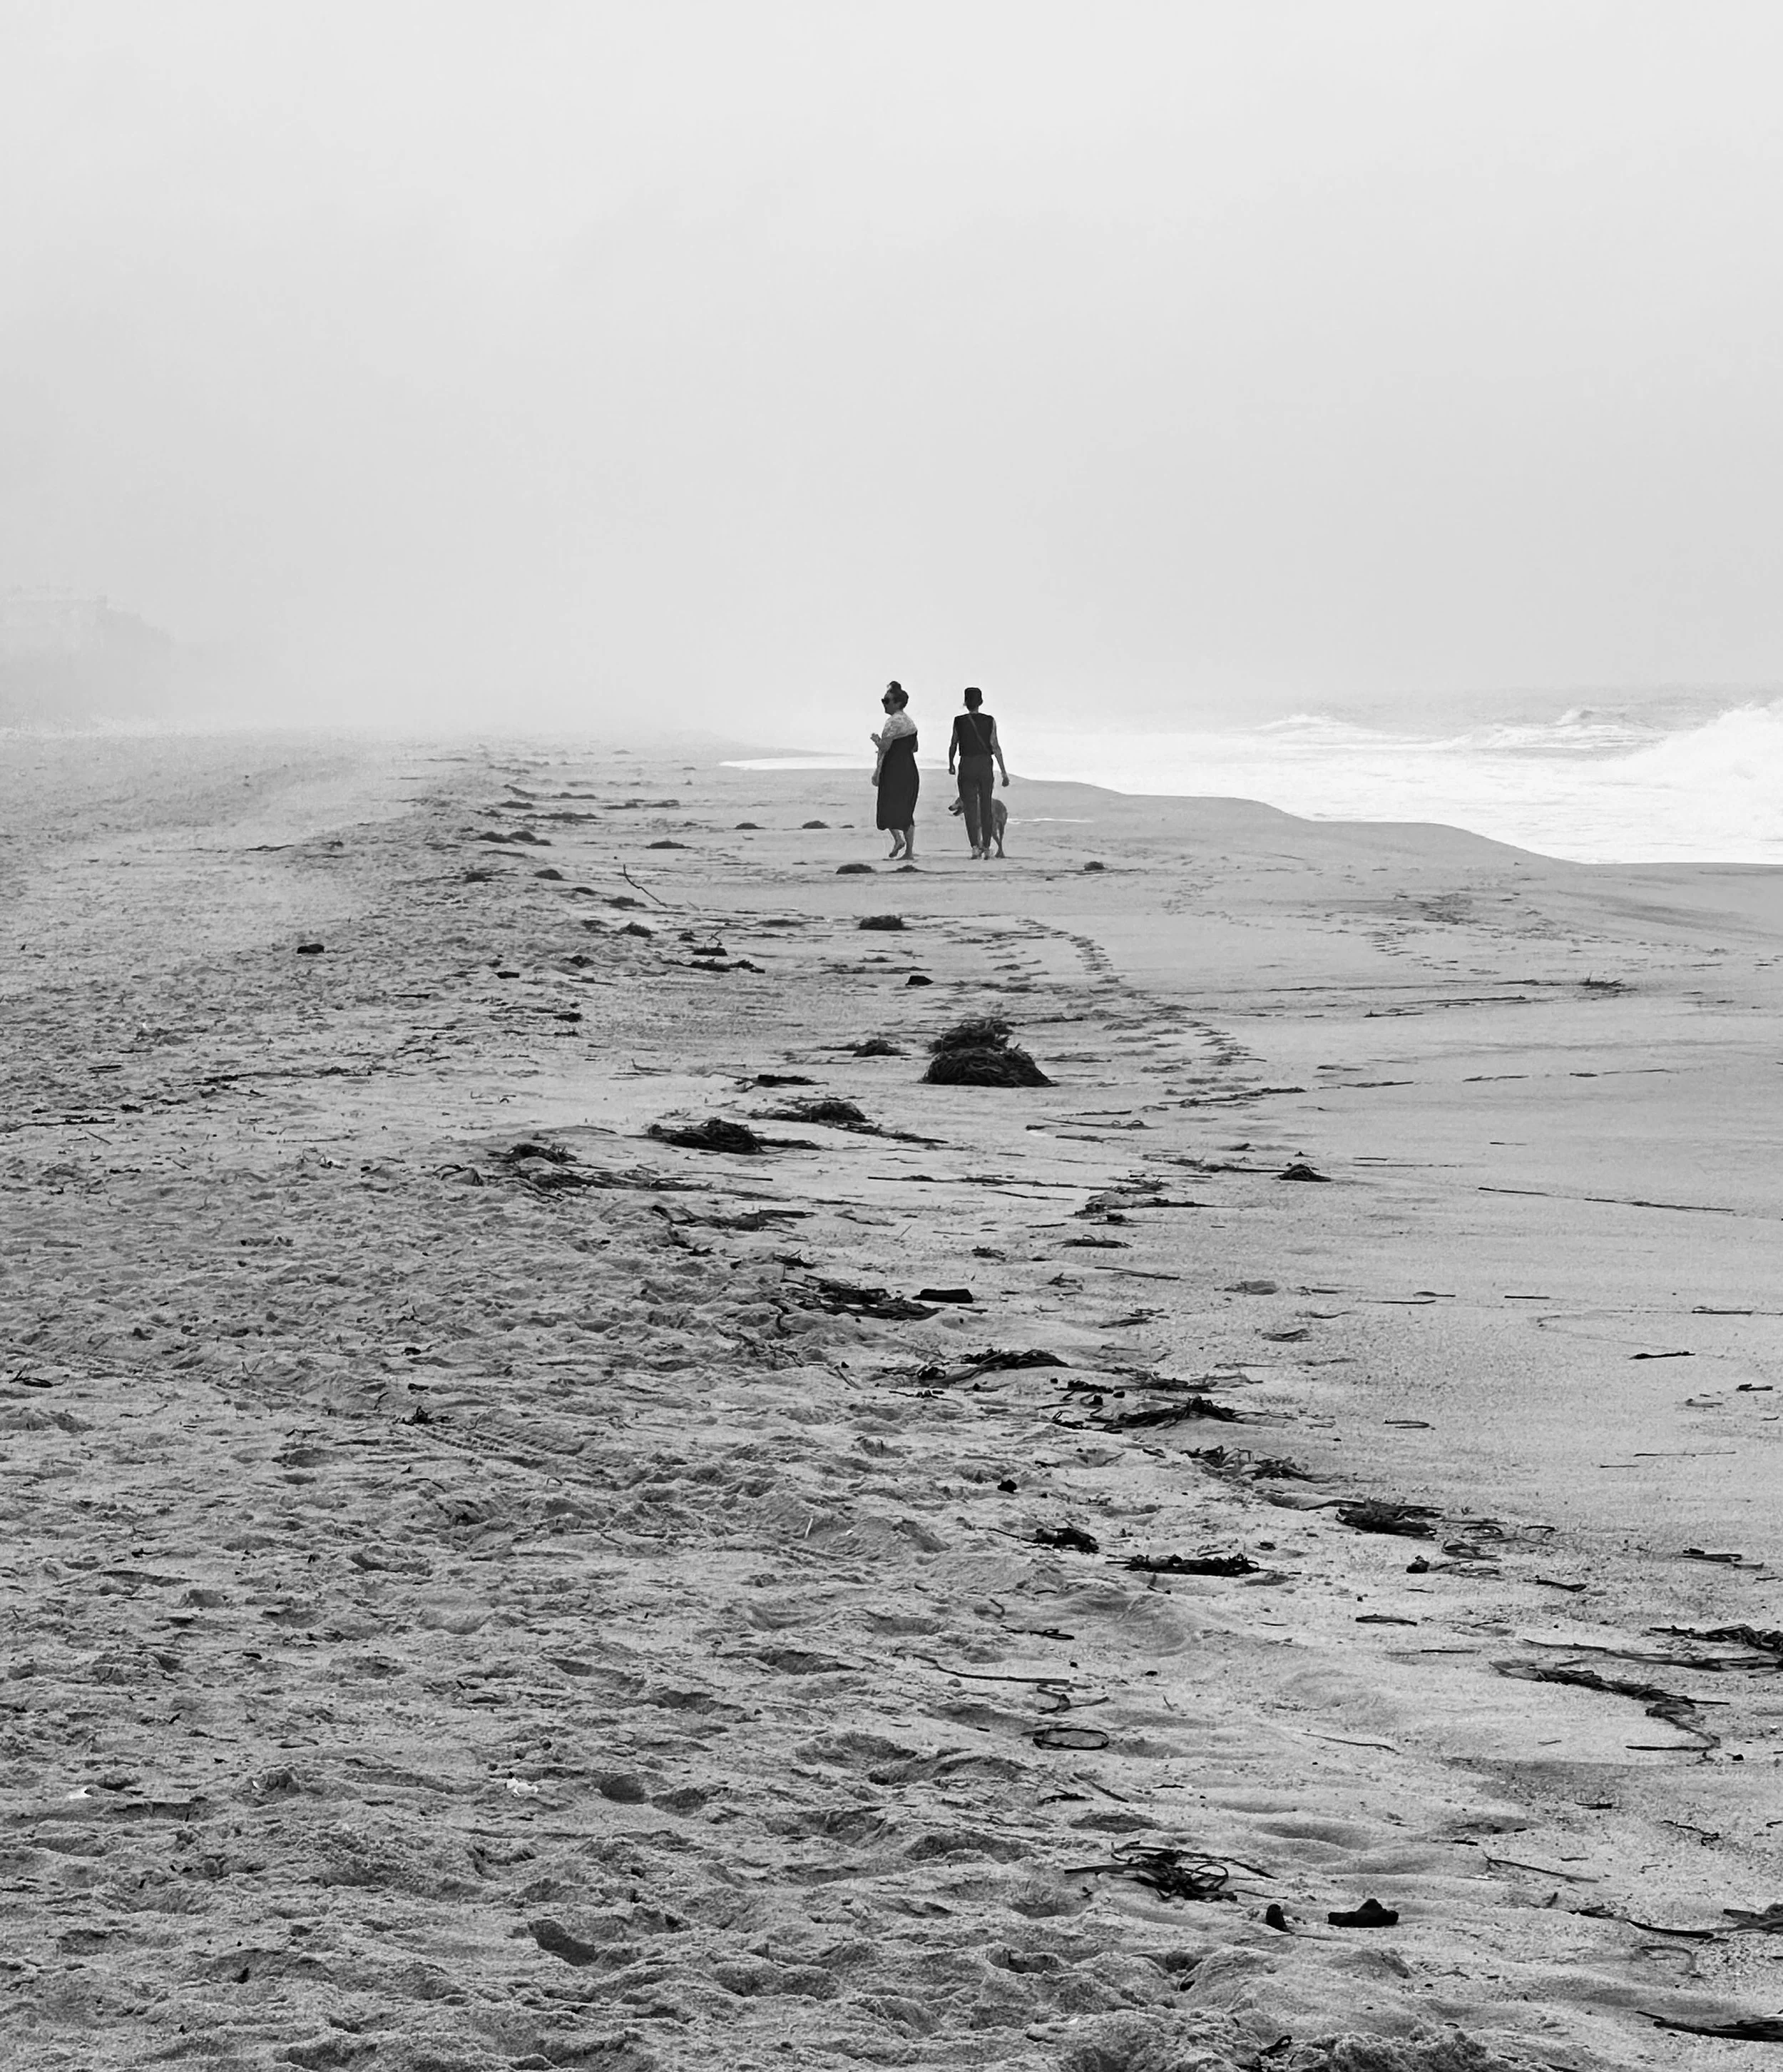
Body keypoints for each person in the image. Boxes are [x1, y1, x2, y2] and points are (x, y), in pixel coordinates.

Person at [947, 685, 1008, 858]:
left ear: (965, 703)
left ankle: (975, 846)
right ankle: (987, 848)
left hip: (966, 764)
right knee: (986, 806)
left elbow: (953, 744)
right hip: (984, 765)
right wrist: (1003, 772)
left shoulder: (958, 721)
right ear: (980, 702)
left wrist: (951, 763)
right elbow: (995, 746)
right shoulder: (990, 721)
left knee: (971, 808)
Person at [870, 681, 919, 860]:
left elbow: (885, 746)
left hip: (894, 769)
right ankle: (909, 851)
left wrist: (876, 740)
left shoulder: (893, 722)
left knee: (887, 806)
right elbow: (915, 748)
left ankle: (899, 839)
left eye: (887, 701)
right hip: (909, 767)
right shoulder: (910, 722)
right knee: (907, 809)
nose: (884, 704)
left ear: (897, 703)